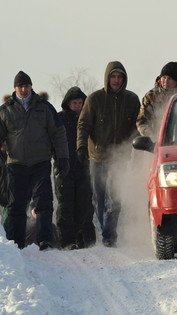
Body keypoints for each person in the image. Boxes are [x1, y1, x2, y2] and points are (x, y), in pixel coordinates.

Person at [0, 71, 69, 250]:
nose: (24, 89)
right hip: (16, 164)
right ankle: (17, 243)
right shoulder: (5, 110)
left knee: (43, 203)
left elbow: (58, 133)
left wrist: (62, 157)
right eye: (20, 86)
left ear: (31, 87)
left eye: (27, 86)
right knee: (16, 206)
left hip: (40, 162)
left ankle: (45, 240)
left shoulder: (44, 107)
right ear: (15, 88)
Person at [77, 61, 140, 247]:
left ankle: (109, 236)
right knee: (99, 198)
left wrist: (133, 146)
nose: (116, 80)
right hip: (97, 156)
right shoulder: (94, 99)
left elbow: (136, 128)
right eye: (113, 76)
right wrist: (81, 146)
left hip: (119, 157)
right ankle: (106, 227)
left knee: (115, 198)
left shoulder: (131, 99)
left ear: (124, 79)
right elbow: (83, 124)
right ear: (107, 78)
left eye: (120, 77)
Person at [55, 87, 96, 250]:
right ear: (68, 103)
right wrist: (58, 159)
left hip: (84, 166)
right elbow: (52, 139)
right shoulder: (59, 119)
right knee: (66, 205)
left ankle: (86, 240)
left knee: (84, 204)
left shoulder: (88, 118)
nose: (78, 105)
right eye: (75, 103)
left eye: (80, 103)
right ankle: (66, 241)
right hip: (63, 166)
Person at [136, 61, 177, 141]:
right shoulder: (151, 97)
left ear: (176, 80)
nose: (166, 81)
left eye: (170, 78)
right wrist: (152, 137)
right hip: (155, 143)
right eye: (164, 77)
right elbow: (141, 122)